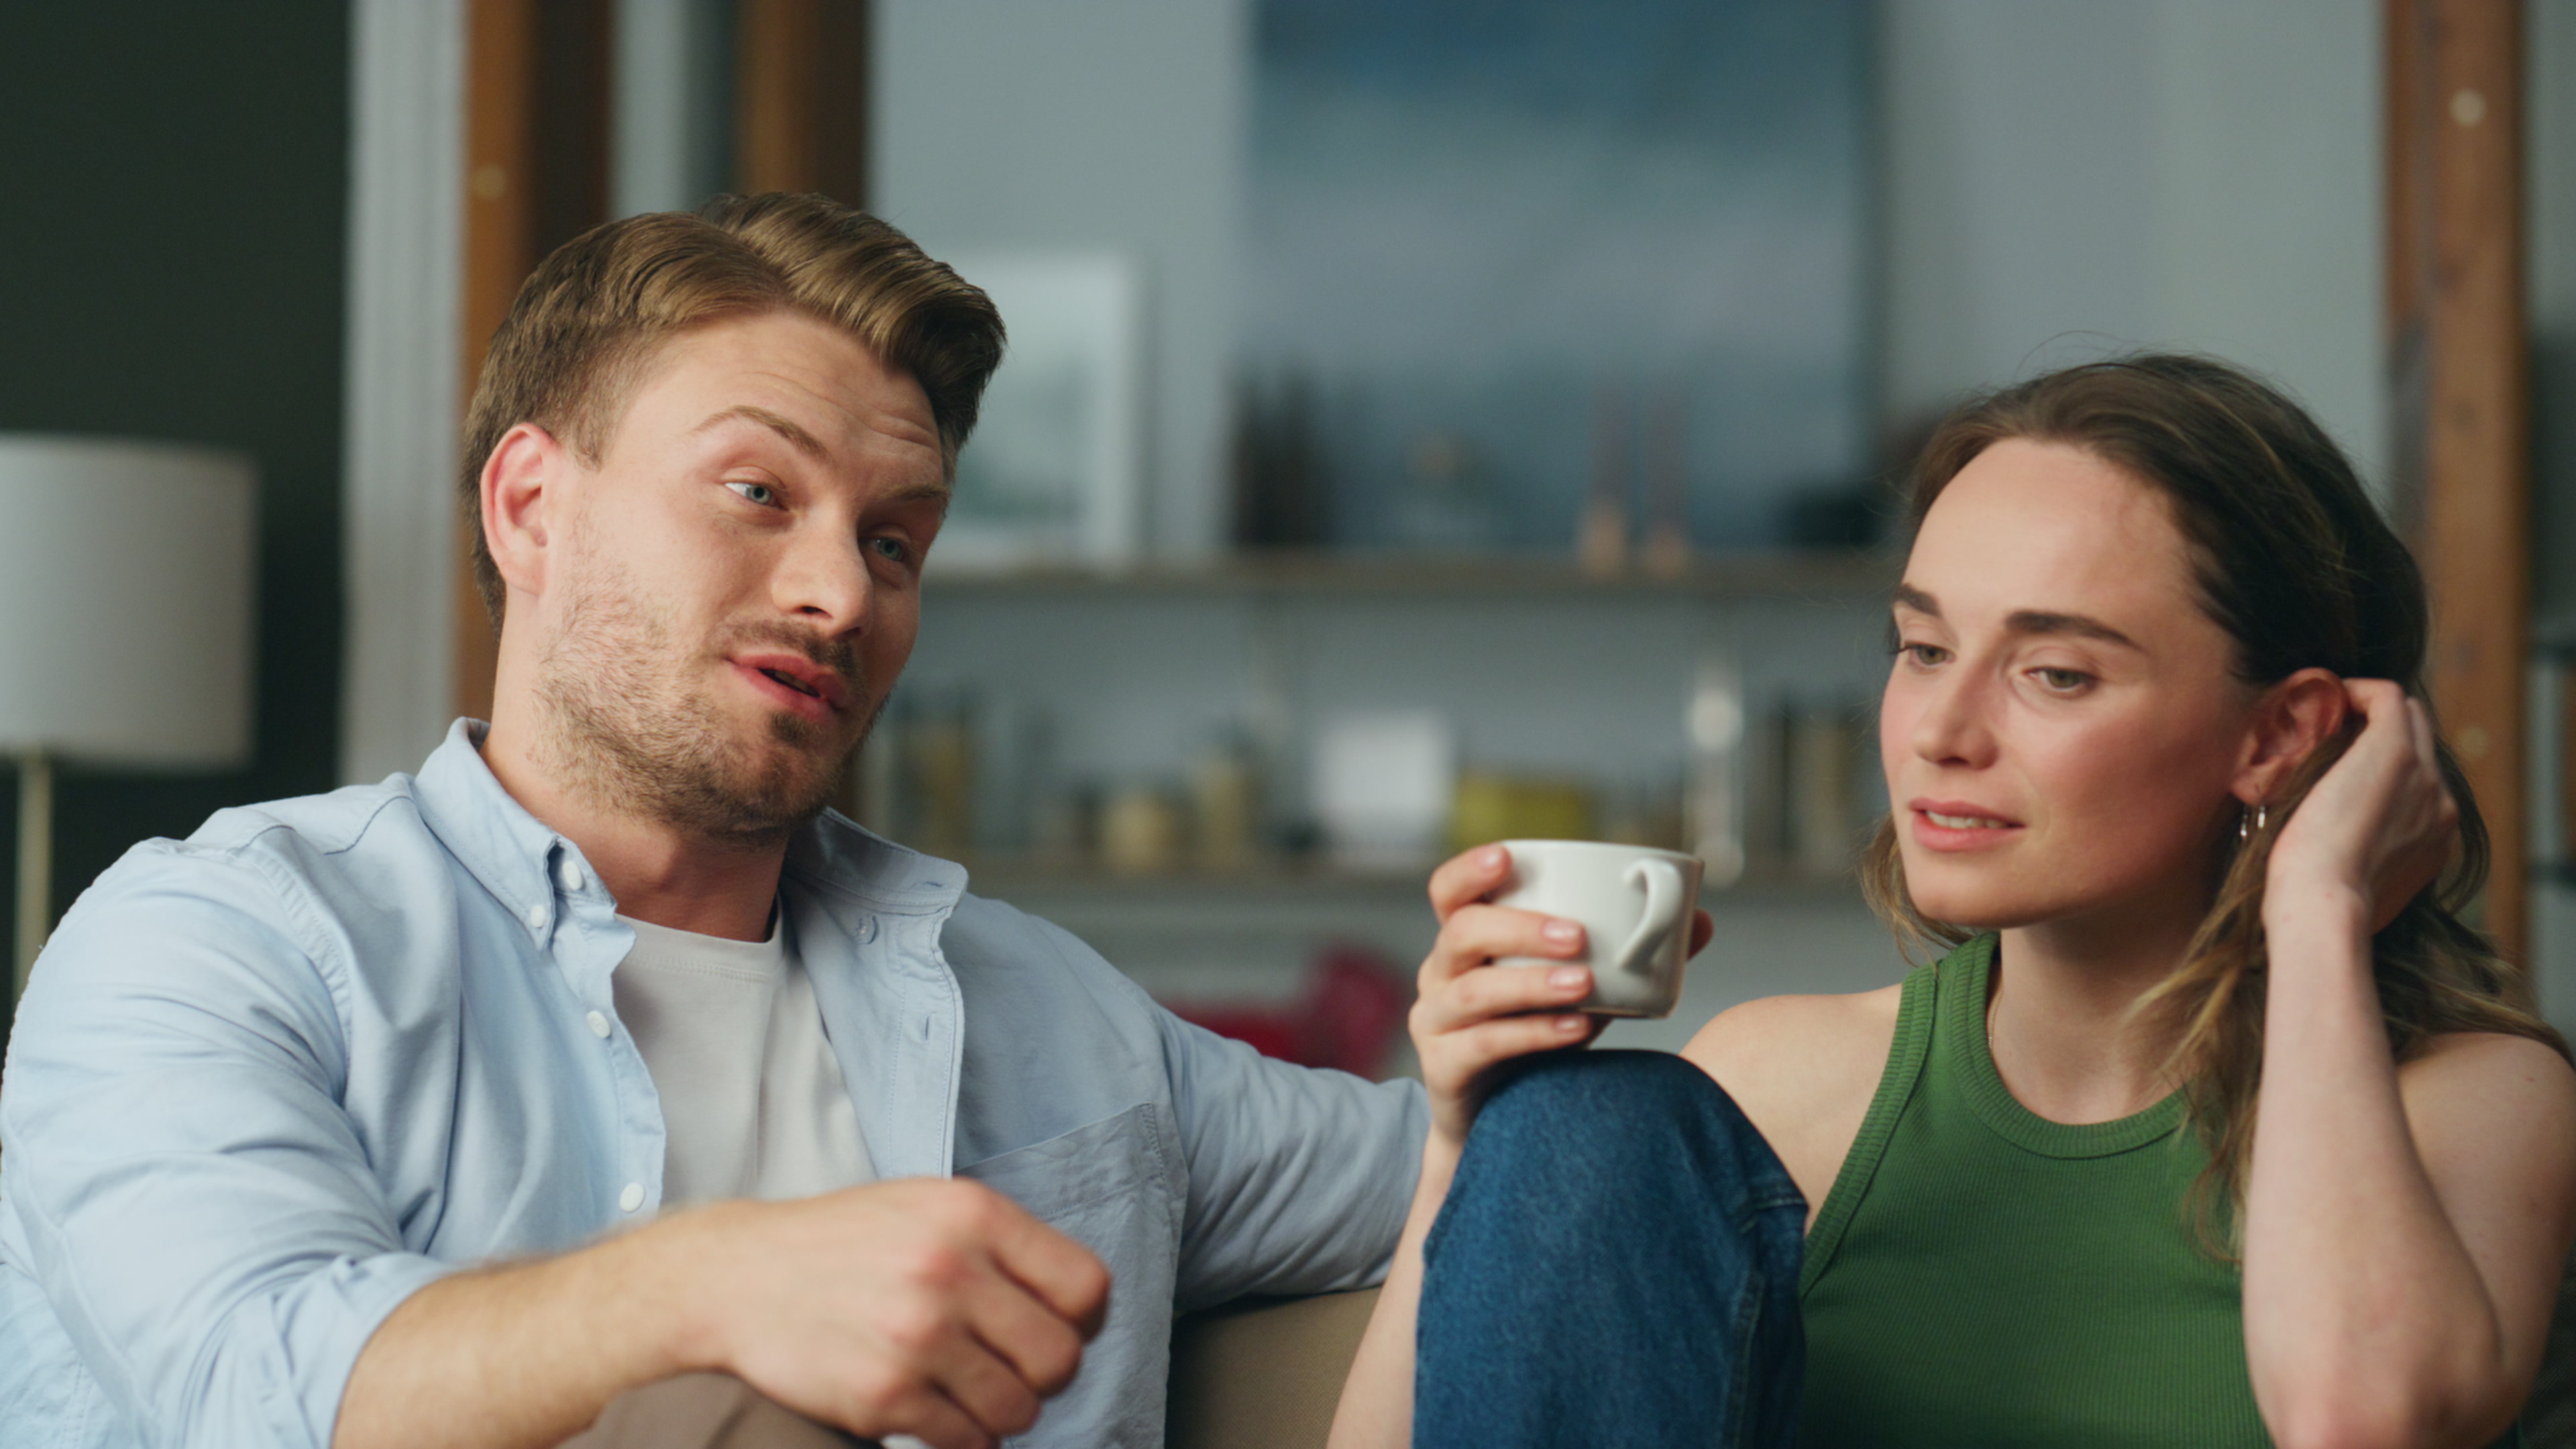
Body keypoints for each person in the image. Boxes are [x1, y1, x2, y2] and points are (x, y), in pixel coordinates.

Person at [0, 193, 1426, 1449]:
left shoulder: (1052, 1017)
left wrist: (1580, 1063)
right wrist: (717, 1286)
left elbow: (1485, 1186)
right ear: (531, 507)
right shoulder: (223, 944)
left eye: (895, 542)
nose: (843, 594)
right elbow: (258, 1387)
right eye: (759, 491)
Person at [1331, 354, 2576, 1448]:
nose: (1940, 731)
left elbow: (2363, 1425)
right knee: (1580, 1127)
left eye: (2054, 672)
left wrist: (2315, 907)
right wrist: (1466, 1145)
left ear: (2279, 735)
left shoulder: (2473, 1107)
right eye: (1923, 649)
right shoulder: (1778, 1091)